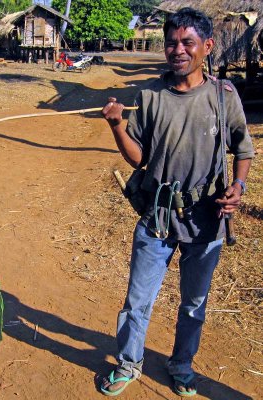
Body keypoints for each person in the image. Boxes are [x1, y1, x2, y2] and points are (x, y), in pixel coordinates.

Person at [100, 7, 254, 398]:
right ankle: (129, 363)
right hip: (158, 216)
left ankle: (181, 365)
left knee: (194, 304)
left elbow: (243, 149)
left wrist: (238, 186)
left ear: (207, 46)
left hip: (206, 221)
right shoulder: (150, 96)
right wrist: (118, 125)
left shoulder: (224, 96)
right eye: (171, 43)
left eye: (187, 42)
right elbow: (139, 158)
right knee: (138, 299)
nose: (178, 50)